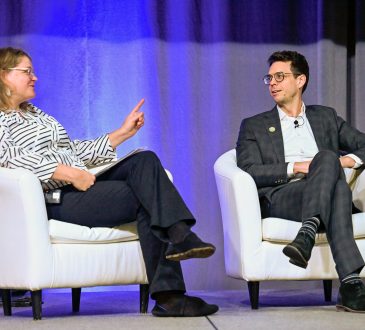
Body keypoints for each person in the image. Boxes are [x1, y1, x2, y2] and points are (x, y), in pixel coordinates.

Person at [0, 47, 218, 317]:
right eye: (26, 71)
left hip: (80, 185)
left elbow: (73, 151)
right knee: (146, 198)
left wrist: (122, 133)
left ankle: (179, 238)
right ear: (3, 76)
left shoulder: (36, 115)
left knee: (145, 160)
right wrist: (69, 174)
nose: (34, 77)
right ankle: (172, 290)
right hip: (53, 199)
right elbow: (11, 160)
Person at [236, 50, 365, 312]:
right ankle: (351, 284)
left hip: (326, 185)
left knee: (331, 167)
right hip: (284, 195)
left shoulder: (325, 117)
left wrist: (343, 161)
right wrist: (295, 166)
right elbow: (249, 169)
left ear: (300, 80)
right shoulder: (254, 125)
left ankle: (307, 232)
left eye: (280, 76)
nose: (272, 83)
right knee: (335, 180)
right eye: (269, 78)